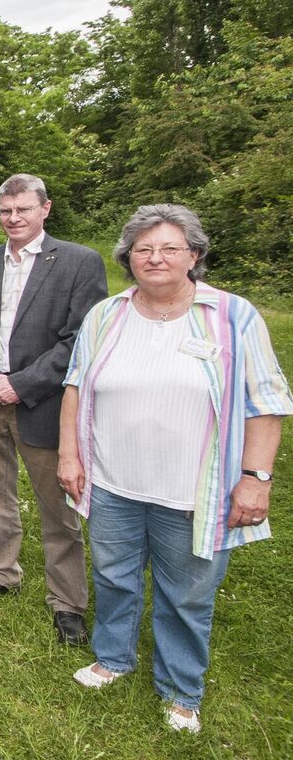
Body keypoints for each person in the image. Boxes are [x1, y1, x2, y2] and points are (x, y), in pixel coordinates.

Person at [58, 204, 290, 733]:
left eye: (169, 248)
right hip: (114, 479)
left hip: (192, 488)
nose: (155, 258)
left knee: (186, 594)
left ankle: (181, 690)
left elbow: (267, 401)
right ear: (128, 258)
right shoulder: (107, 314)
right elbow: (75, 385)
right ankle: (113, 658)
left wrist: (256, 480)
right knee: (114, 576)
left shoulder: (232, 316)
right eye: (143, 249)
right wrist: (70, 455)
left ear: (195, 256)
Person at [0, 173, 106, 646]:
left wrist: (20, 384)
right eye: (5, 211)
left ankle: (67, 602)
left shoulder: (79, 262)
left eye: (23, 209)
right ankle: (0, 572)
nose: (13, 218)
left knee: (57, 508)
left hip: (43, 402)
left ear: (45, 208)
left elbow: (79, 338)